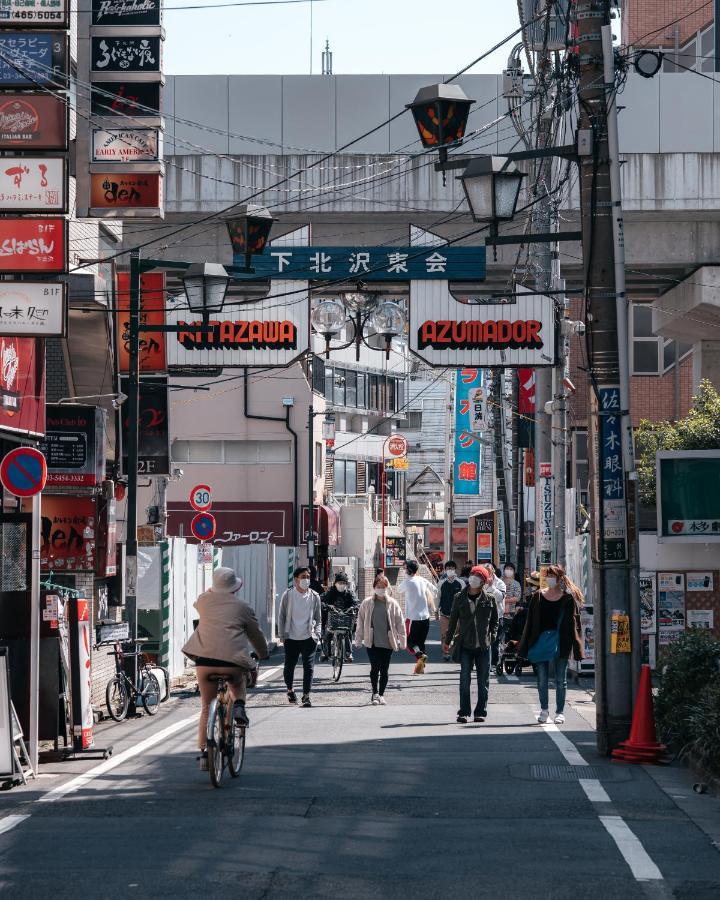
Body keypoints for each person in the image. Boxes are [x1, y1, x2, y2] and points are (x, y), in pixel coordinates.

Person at [182, 566, 269, 771]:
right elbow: (255, 636)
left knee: (206, 705)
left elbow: (201, 599)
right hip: (232, 662)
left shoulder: (203, 601)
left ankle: (204, 754)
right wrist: (263, 653)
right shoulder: (243, 607)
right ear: (235, 588)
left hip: (204, 661)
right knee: (237, 685)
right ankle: (239, 705)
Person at [518, 564, 584, 725]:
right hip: (540, 641)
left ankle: (560, 712)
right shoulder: (538, 596)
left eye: (552, 576)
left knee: (561, 680)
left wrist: (577, 648)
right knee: (542, 679)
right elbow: (530, 623)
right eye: (547, 576)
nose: (549, 579)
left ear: (560, 578)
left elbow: (575, 624)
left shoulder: (568, 598)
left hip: (562, 642)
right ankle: (544, 710)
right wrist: (524, 646)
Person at [443, 565, 498, 724]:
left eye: (478, 577)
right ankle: (464, 712)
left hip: (483, 646)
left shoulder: (489, 599)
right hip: (465, 644)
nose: (474, 578)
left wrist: (492, 636)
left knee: (483, 681)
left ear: (484, 581)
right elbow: (453, 621)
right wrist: (447, 642)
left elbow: (495, 621)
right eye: (473, 575)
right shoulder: (459, 597)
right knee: (464, 680)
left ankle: (480, 712)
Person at [354, 574, 407, 704]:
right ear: (374, 587)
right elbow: (360, 622)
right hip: (372, 641)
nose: (381, 589)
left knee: (384, 669)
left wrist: (402, 640)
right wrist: (358, 639)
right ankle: (375, 693)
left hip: (388, 641)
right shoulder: (367, 603)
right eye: (378, 587)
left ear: (387, 588)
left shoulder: (393, 604)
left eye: (383, 587)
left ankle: (381, 694)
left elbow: (400, 622)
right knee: (374, 667)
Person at [277, 566, 323, 708]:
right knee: (289, 666)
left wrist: (318, 633)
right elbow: (282, 615)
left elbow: (318, 618)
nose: (306, 579)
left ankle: (306, 695)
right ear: (296, 579)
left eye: (308, 577)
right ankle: (290, 689)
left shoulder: (315, 596)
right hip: (291, 637)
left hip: (309, 637)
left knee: (308, 667)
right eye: (303, 577)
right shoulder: (288, 594)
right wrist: (282, 634)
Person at [395, 559, 437, 674]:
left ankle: (420, 655)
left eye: (405, 569)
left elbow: (398, 590)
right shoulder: (422, 580)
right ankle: (420, 668)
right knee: (421, 642)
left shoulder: (407, 582)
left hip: (413, 618)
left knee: (409, 642)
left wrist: (407, 579)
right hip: (426, 618)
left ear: (408, 570)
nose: (404, 571)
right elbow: (435, 590)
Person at [321, 572, 358, 661]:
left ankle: (348, 654)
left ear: (346, 584)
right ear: (335, 583)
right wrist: (327, 606)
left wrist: (355, 606)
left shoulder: (349, 593)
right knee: (327, 633)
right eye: (340, 582)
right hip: (332, 617)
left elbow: (355, 602)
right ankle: (326, 653)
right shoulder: (331, 592)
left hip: (345, 617)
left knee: (348, 632)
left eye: (344, 583)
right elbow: (322, 599)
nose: (341, 585)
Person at [438, 560, 463, 661]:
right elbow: (437, 597)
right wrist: (436, 610)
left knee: (456, 635)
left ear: (455, 570)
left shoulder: (461, 583)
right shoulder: (441, 583)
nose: (450, 570)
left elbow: (464, 598)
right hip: (444, 613)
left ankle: (455, 652)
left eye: (452, 568)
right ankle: (446, 653)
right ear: (445, 570)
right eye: (448, 568)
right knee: (445, 634)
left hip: (458, 615)